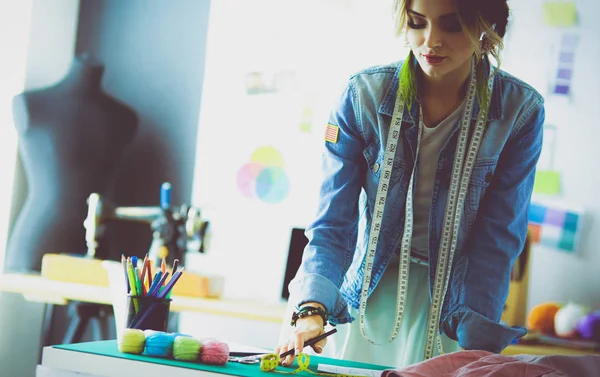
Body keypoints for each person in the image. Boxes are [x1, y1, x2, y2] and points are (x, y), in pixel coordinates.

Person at [276, 0, 545, 368]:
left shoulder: (519, 111)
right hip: (369, 295)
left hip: (456, 305)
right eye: (418, 23)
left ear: (485, 27)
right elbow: (333, 223)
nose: (430, 41)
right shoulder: (362, 97)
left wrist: (479, 344)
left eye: (451, 26)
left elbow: (497, 239)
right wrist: (311, 309)